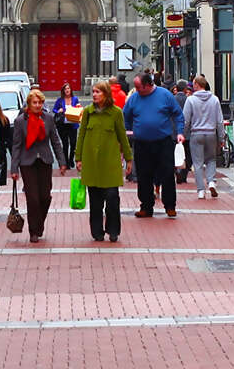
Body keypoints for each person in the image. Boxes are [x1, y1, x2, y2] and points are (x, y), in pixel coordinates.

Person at [76, 79, 133, 243]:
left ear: (106, 94)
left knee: (112, 198)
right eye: (93, 91)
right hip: (92, 163)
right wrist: (78, 158)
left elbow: (122, 136)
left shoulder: (116, 113)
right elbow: (81, 135)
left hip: (110, 163)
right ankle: (97, 232)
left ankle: (113, 230)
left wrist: (129, 158)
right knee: (95, 202)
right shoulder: (88, 112)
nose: (94, 95)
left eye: (98, 92)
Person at [123, 71, 185, 219]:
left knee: (167, 174)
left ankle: (170, 206)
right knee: (143, 175)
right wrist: (128, 130)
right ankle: (146, 206)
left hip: (163, 141)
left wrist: (180, 132)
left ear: (148, 85)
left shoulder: (165, 95)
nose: (137, 90)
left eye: (139, 87)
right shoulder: (134, 98)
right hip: (142, 143)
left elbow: (178, 114)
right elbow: (126, 115)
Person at [10, 90, 59, 243]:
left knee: (45, 196)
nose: (37, 105)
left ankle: (39, 224)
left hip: (44, 160)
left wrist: (62, 162)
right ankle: (34, 231)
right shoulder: (20, 121)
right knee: (33, 199)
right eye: (34, 103)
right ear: (29, 104)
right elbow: (16, 145)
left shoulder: (48, 118)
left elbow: (55, 141)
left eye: (40, 103)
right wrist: (14, 168)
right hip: (27, 162)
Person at [183, 76, 225, 200]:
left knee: (198, 163)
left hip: (196, 134)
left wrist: (183, 134)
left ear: (196, 84)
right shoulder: (215, 99)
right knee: (211, 159)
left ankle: (201, 190)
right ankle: (211, 182)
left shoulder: (190, 100)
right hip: (211, 133)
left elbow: (186, 120)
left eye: (193, 84)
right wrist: (221, 137)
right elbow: (219, 121)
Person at [51, 84, 82, 174]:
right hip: (63, 125)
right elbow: (54, 109)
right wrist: (58, 111)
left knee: (73, 143)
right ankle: (66, 163)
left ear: (71, 90)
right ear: (63, 91)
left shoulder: (75, 99)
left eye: (68, 88)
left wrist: (78, 107)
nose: (67, 90)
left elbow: (78, 108)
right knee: (65, 144)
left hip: (73, 124)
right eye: (65, 89)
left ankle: (71, 158)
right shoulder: (60, 100)